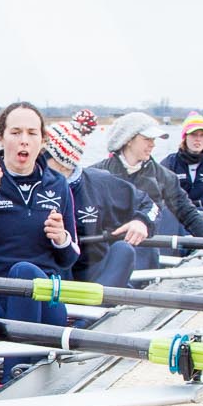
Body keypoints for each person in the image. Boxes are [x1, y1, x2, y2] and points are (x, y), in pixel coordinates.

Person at [0, 102, 80, 327]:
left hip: (46, 299)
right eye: (15, 132)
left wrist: (62, 239)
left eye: (32, 133)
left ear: (42, 141)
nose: (24, 140)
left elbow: (71, 257)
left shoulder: (58, 184)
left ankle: (20, 359)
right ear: (1, 138)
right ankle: (23, 359)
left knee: (25, 271)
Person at [39, 112, 160, 289]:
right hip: (49, 274)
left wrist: (141, 222)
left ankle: (90, 311)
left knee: (123, 251)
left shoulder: (100, 183)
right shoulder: (31, 184)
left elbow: (149, 205)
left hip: (91, 274)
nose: (35, 162)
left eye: (41, 156)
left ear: (62, 162)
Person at [95, 111, 203, 267]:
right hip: (104, 253)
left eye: (153, 140)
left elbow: (188, 213)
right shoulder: (97, 175)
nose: (152, 144)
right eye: (147, 139)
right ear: (128, 140)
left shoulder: (165, 177)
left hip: (145, 254)